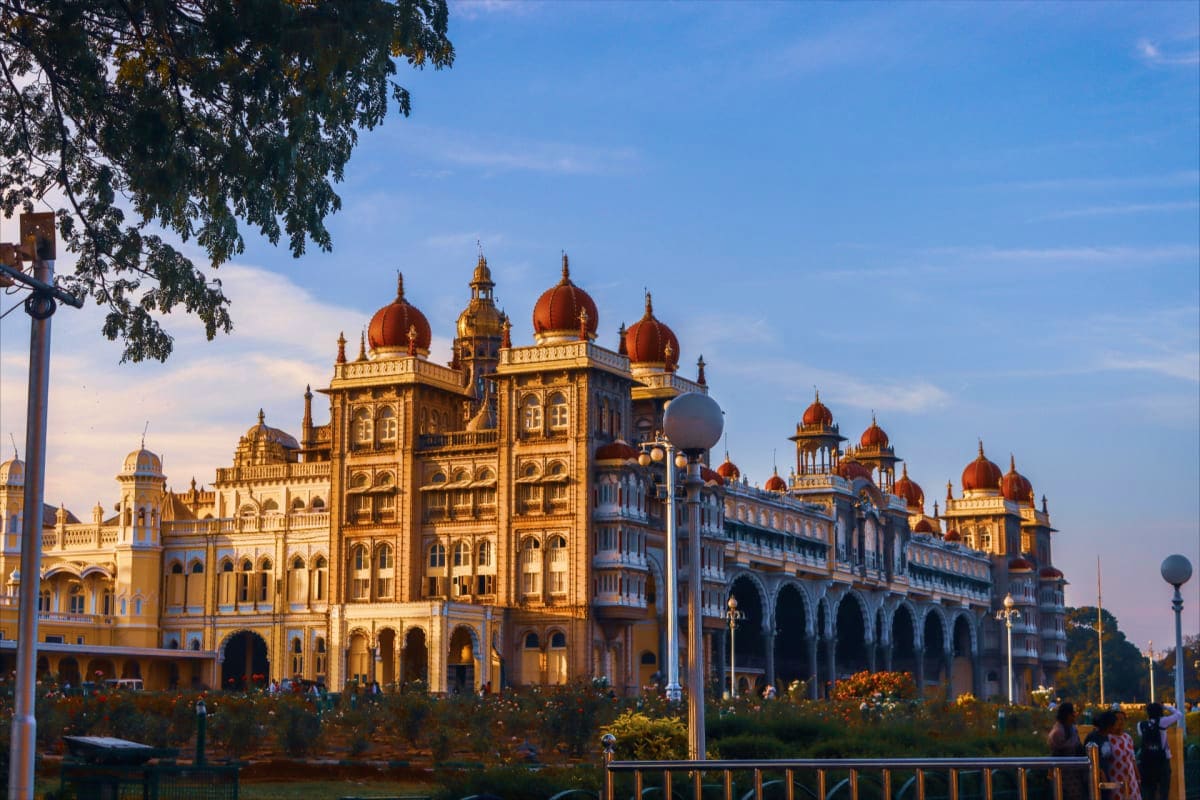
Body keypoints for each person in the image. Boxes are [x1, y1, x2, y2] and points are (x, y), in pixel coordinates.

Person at [1138, 702, 1183, 800]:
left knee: (1149, 789)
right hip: (1162, 760)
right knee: (1164, 789)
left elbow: (1142, 737)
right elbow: (1179, 714)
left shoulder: (1140, 725)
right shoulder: (1163, 721)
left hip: (1147, 761)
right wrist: (1167, 706)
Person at [1047, 702, 1087, 800]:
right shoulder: (1058, 732)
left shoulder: (1072, 728)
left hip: (1075, 771)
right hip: (1063, 771)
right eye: (1072, 713)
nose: (1074, 715)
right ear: (1067, 715)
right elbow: (1056, 752)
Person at [1108, 709, 1141, 800]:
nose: (1121, 722)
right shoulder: (1108, 738)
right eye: (1118, 719)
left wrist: (1138, 778)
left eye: (1122, 719)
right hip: (1116, 780)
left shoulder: (1128, 737)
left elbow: (1132, 759)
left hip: (1131, 780)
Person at [1085, 711, 1117, 800]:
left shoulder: (1108, 737)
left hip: (1107, 775)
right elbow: (1089, 757)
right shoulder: (1093, 737)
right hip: (1095, 776)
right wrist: (1100, 772)